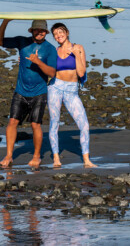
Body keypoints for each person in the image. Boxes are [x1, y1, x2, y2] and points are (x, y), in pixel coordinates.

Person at [0, 19, 57, 168]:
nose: (39, 33)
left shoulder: (50, 49)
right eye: (37, 30)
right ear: (31, 31)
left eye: (42, 31)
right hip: (20, 91)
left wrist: (38, 62)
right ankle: (9, 156)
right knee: (12, 122)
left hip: (39, 93)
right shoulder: (22, 41)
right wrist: (5, 22)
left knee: (35, 124)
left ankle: (36, 156)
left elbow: (52, 73)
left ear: (46, 32)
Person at [47, 22, 97, 168]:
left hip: (71, 90)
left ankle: (87, 160)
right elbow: (45, 67)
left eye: (60, 32)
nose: (58, 35)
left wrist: (76, 55)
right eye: (55, 34)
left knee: (84, 125)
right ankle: (56, 158)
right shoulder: (54, 51)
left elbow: (81, 72)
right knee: (54, 122)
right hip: (55, 87)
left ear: (67, 32)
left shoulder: (78, 48)